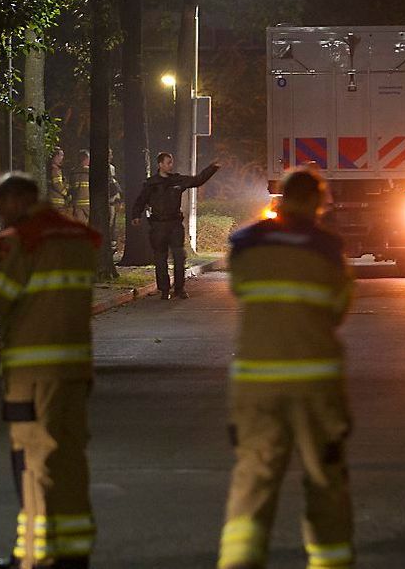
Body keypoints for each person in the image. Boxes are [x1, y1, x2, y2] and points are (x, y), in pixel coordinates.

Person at [217, 168, 355, 569]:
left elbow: (239, 288)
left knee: (254, 476)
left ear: (281, 199)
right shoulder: (327, 248)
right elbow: (338, 306)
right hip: (316, 385)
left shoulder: (246, 243)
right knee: (324, 477)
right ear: (316, 201)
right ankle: (331, 561)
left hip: (256, 383)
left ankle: (239, 560)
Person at [0, 172, 101, 569]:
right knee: (70, 460)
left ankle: (33, 554)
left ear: (14, 201)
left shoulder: (19, 241)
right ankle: (74, 548)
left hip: (31, 374)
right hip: (75, 369)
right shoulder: (79, 238)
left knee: (33, 462)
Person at [130, 151, 220, 300]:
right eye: (168, 163)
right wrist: (135, 215)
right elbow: (141, 200)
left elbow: (197, 180)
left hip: (174, 225)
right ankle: (164, 290)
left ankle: (180, 288)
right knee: (160, 259)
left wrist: (212, 168)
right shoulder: (151, 184)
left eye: (171, 162)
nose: (171, 165)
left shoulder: (177, 180)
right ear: (160, 164)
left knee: (179, 256)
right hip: (158, 226)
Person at [70, 150, 90, 223]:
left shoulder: (73, 171)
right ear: (86, 159)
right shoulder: (90, 171)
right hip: (88, 204)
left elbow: (71, 187)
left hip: (77, 204)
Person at [48, 147, 70, 213]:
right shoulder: (55, 170)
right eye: (61, 155)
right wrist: (66, 194)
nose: (62, 158)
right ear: (56, 156)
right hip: (56, 202)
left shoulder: (55, 169)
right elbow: (57, 184)